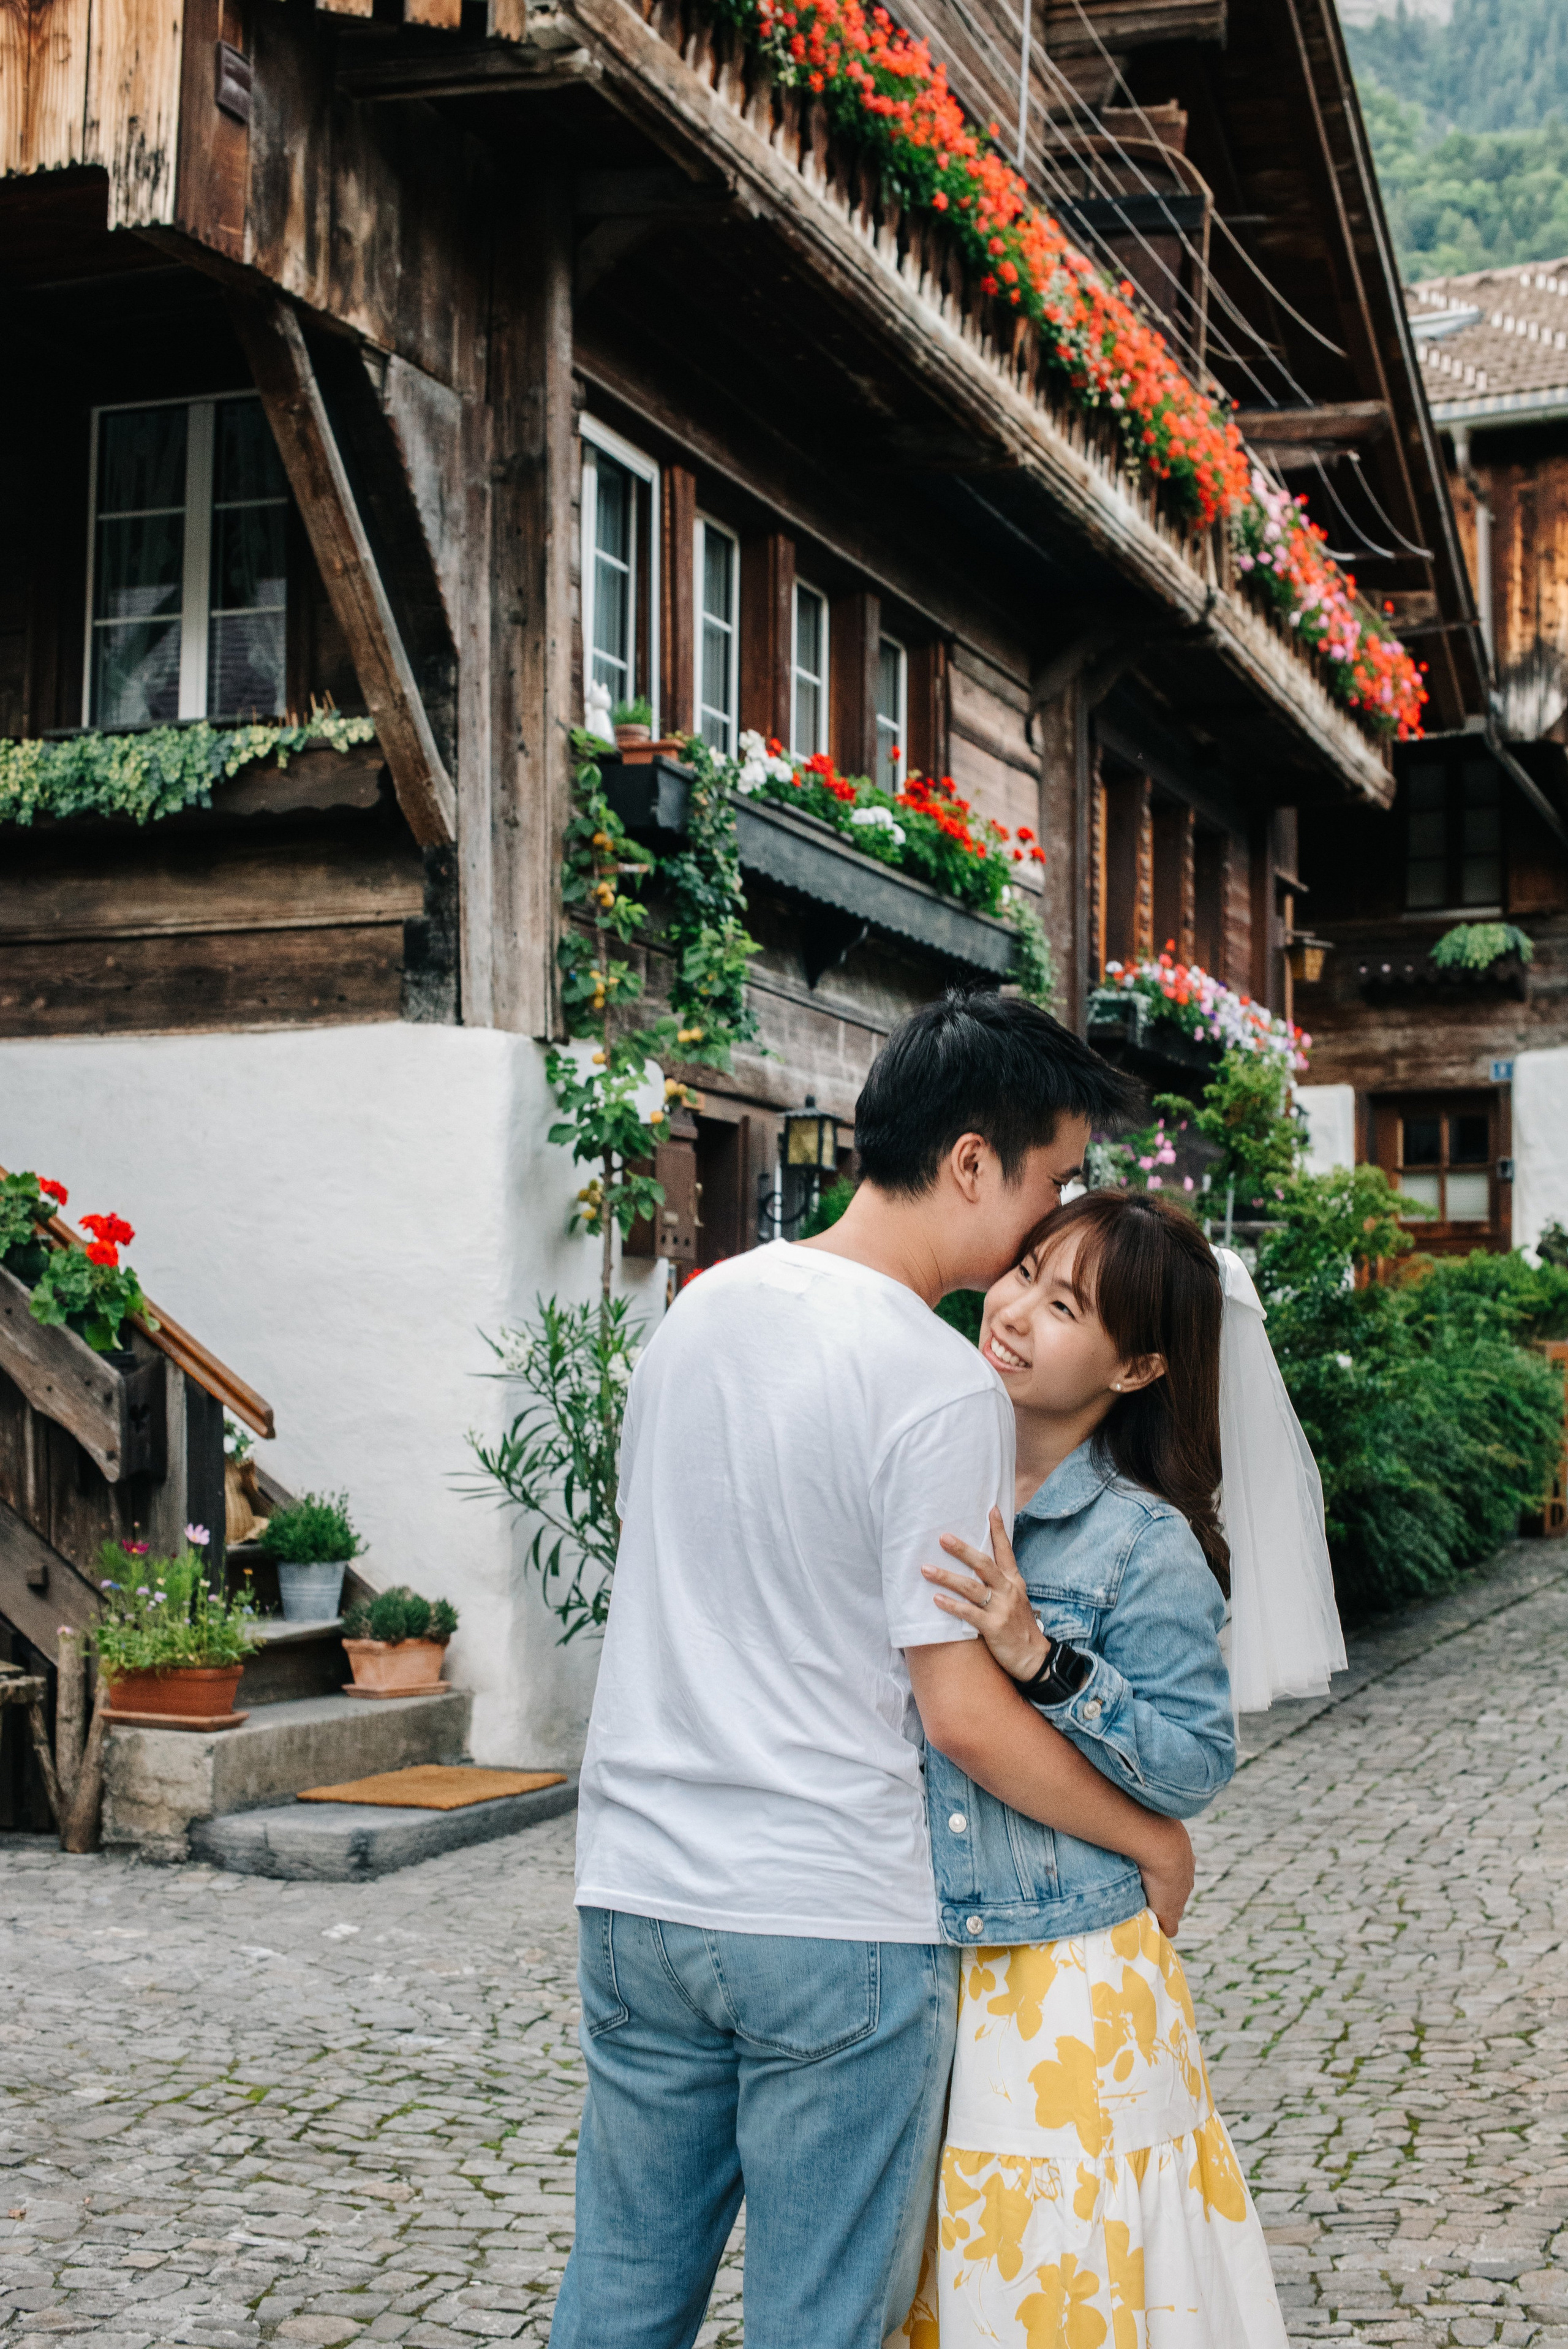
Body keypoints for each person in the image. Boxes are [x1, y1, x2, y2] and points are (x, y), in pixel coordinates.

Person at [549, 994, 1199, 2349]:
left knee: (618, 2298)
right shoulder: (937, 1385)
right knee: (819, 2324)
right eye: (1049, 1181)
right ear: (970, 1164)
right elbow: (960, 1715)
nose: (1048, 1213)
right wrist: (1146, 1836)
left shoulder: (698, 1313)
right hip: (826, 1913)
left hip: (635, 1887)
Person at [902, 1190, 1295, 2348]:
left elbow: (1194, 1761)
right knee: (947, 2262)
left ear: (1137, 1367)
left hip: (1073, 1965)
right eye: (1024, 1271)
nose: (1015, 1310)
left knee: (1064, 2268)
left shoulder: (1141, 1541)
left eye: (1064, 1305)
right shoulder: (931, 1466)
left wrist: (1043, 1658)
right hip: (923, 1946)